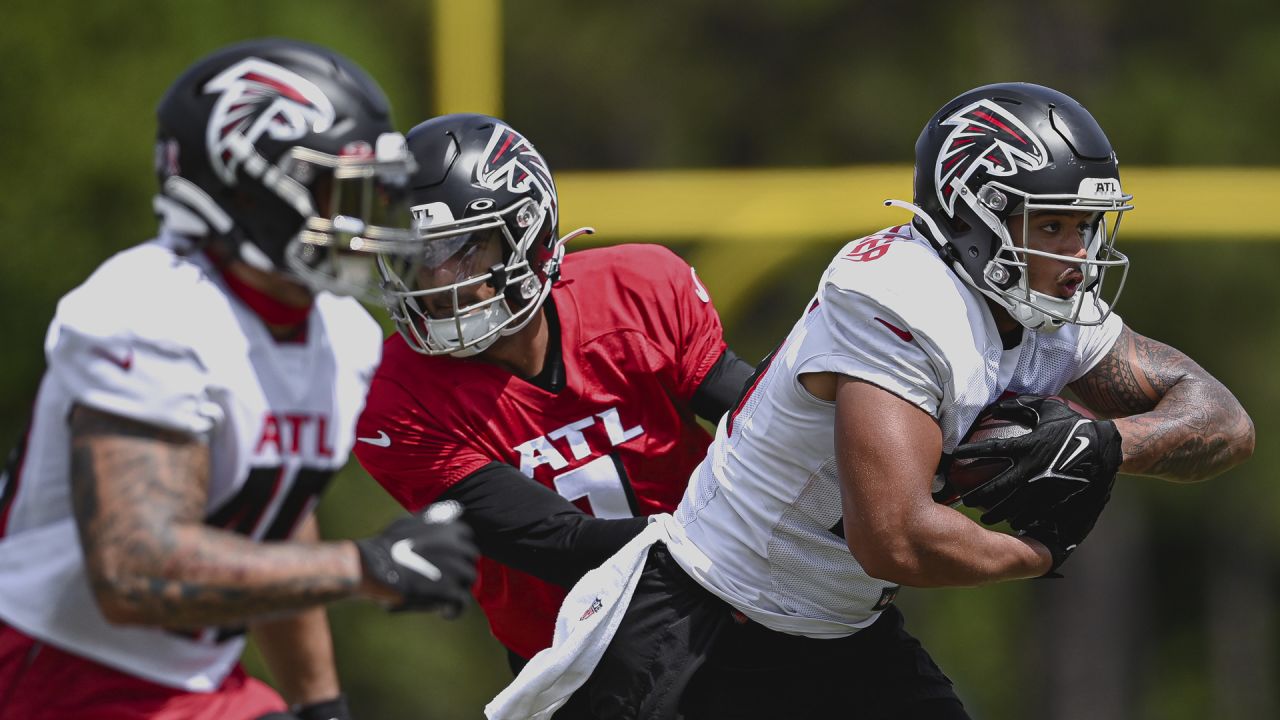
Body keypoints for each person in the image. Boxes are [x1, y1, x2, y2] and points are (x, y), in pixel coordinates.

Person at [485, 82, 1256, 720]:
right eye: (1052, 225)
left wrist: (1112, 444)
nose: (1078, 256)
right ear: (974, 217)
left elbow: (1224, 420)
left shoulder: (1046, 299)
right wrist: (1042, 555)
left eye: (1087, 228)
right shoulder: (896, 296)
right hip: (699, 628)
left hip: (836, 631)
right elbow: (893, 540)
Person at [0, 39, 479, 720]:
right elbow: (134, 569)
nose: (361, 220)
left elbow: (278, 516)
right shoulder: (151, 311)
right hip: (55, 677)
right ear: (250, 187)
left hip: (198, 683)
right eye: (336, 190)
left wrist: (321, 704)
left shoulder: (338, 335)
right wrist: (365, 567)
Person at [351, 113, 754, 673]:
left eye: (459, 251)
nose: (435, 283)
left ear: (528, 232)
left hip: (739, 612)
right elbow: (562, 542)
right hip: (578, 664)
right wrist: (740, 553)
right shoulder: (395, 394)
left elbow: (761, 420)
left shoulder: (636, 288)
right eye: (414, 259)